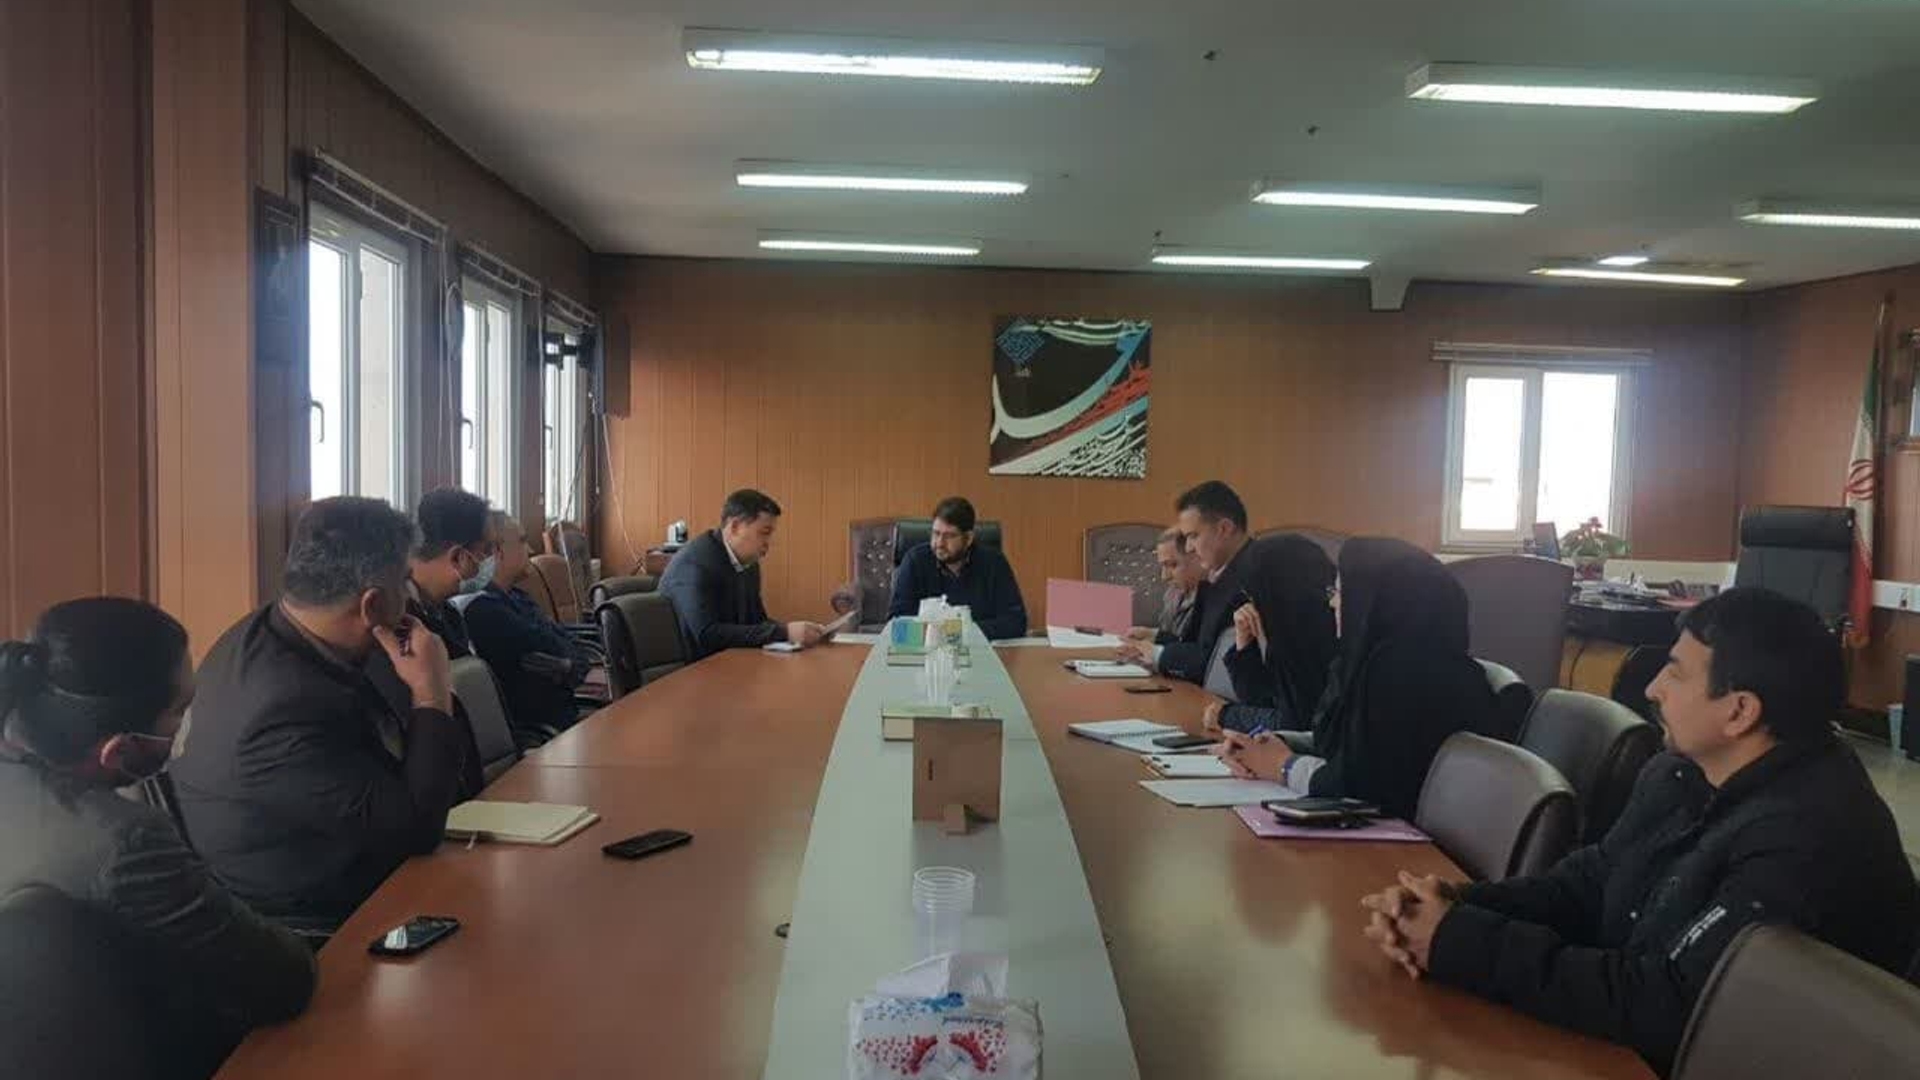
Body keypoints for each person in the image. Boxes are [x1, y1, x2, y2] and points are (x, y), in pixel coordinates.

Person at [1358, 588, 1920, 1078]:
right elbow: (1590, 882)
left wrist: (1461, 941)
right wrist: (1451, 908)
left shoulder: (1807, 838)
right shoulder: (1682, 769)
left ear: (1739, 712)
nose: (1652, 688)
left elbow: (1672, 1005)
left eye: (1675, 672)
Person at [0, 598, 314, 1076]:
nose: (192, 721)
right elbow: (283, 979)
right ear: (117, 751)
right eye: (180, 711)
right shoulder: (125, 841)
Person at [173, 497, 482, 931]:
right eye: (404, 582)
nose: (409, 598)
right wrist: (431, 691)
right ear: (371, 605)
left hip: (352, 866)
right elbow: (418, 829)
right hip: (315, 923)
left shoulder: (267, 630)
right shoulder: (280, 710)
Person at [1214, 537, 1495, 819]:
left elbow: (1360, 784)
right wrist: (1269, 743)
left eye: (1340, 591)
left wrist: (1283, 766)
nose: (1332, 602)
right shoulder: (1371, 660)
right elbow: (1351, 745)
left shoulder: (1404, 673)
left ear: (1375, 601)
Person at [463, 510, 592, 744]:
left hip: (566, 720)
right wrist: (570, 663)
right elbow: (559, 652)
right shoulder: (484, 611)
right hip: (543, 736)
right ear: (498, 551)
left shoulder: (518, 596)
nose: (531, 550)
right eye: (523, 541)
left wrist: (571, 662)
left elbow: (565, 645)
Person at [659, 488, 825, 659]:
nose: (769, 542)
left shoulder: (748, 564)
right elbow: (707, 634)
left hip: (728, 661)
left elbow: (756, 621)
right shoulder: (696, 562)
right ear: (735, 527)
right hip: (691, 667)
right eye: (764, 533)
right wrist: (784, 632)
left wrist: (798, 632)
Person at [1118, 480, 1256, 683]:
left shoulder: (1254, 578)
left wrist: (1156, 654)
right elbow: (1195, 644)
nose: (1189, 547)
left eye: (1193, 536)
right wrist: (1156, 640)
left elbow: (1214, 664)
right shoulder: (1218, 578)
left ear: (1224, 529)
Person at [1201, 533, 1338, 736]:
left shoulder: (1311, 635)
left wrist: (1226, 716)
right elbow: (1262, 701)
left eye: (1254, 593)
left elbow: (1294, 724)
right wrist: (1245, 646)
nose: (1252, 603)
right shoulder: (1294, 627)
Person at [887, 496, 1030, 640]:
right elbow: (897, 624)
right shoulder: (915, 561)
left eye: (949, 536)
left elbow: (1016, 622)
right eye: (936, 533)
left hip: (979, 650)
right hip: (926, 650)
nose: (939, 543)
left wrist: (956, 632)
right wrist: (949, 633)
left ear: (968, 538)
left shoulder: (994, 563)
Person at [407, 487, 501, 658]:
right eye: (487, 550)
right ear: (457, 557)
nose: (494, 558)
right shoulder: (399, 624)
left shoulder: (445, 610)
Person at [1124, 526, 1205, 642]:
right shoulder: (1173, 593)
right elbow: (1171, 636)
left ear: (1197, 558)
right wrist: (1152, 634)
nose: (1165, 577)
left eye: (1172, 565)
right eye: (1163, 566)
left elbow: (1193, 647)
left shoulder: (1211, 602)